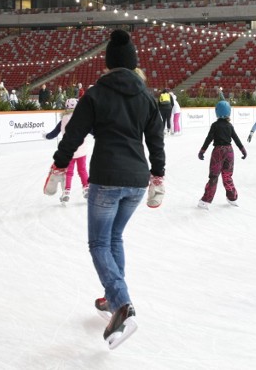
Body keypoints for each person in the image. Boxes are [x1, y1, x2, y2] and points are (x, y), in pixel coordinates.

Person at [43, 29, 166, 349]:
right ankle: (113, 298)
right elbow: (156, 139)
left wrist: (59, 165)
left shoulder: (96, 93)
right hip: (137, 182)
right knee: (114, 238)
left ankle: (122, 305)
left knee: (99, 243)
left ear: (109, 63)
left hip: (107, 178)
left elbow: (73, 136)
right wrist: (158, 176)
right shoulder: (146, 96)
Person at [197, 100, 247, 210]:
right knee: (227, 175)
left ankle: (206, 200)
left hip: (218, 152)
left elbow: (208, 139)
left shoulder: (215, 126)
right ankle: (232, 198)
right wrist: (243, 150)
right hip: (229, 152)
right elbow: (236, 138)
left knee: (214, 177)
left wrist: (202, 151)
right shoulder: (229, 126)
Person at [43, 98, 90, 204]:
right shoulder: (83, 118)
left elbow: (53, 134)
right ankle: (86, 189)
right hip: (81, 150)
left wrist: (46, 136)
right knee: (82, 170)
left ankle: (66, 192)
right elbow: (92, 130)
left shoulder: (63, 119)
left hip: (69, 151)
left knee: (68, 173)